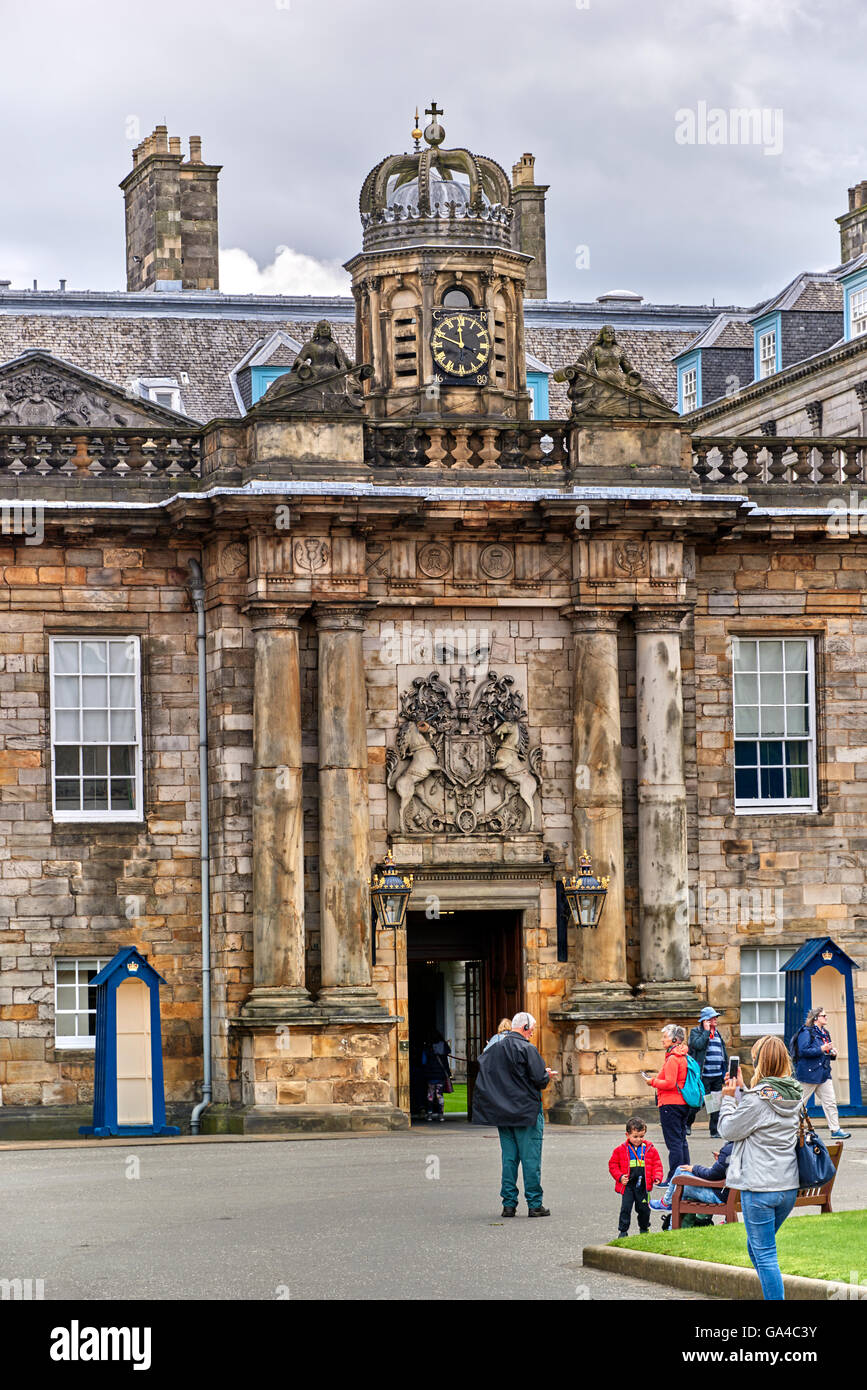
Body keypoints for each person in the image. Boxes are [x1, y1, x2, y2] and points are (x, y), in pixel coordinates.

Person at [717, 1035, 803, 1301]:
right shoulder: (796, 1094)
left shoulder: (757, 1100)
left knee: (765, 1255)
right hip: (787, 1187)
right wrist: (744, 1090)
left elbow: (728, 1130)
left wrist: (730, 1099)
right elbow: (763, 1108)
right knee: (757, 1249)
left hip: (759, 1187)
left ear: (760, 1062)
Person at [472, 1011, 556, 1218]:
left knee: (509, 1159)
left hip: (503, 1111)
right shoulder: (527, 1048)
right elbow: (539, 1079)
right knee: (530, 1159)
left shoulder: (495, 1048)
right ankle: (535, 1204)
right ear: (525, 1028)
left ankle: (508, 1204)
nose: (532, 1034)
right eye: (532, 1031)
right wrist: (547, 1074)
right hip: (526, 1112)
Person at [792, 1007, 851, 1140]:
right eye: (823, 1016)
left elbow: (824, 1052)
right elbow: (803, 1051)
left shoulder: (825, 1033)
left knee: (830, 1102)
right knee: (799, 1104)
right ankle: (790, 1129)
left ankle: (835, 1130)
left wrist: (832, 1053)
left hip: (823, 1073)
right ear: (816, 1018)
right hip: (809, 1074)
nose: (826, 1017)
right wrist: (822, 1048)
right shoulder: (806, 1032)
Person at [645, 1024, 690, 1181]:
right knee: (681, 1141)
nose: (662, 1040)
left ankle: (674, 1178)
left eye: (665, 1037)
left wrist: (652, 1082)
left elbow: (670, 1083)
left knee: (674, 1144)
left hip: (670, 1105)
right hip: (682, 1104)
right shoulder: (683, 1056)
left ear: (674, 1040)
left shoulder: (673, 1059)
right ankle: (685, 1175)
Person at [609, 1117, 664, 1238]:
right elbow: (612, 1165)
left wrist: (657, 1176)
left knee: (644, 1209)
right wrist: (619, 1177)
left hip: (643, 1186)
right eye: (635, 1136)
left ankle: (644, 1229)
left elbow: (657, 1165)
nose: (639, 1140)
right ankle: (623, 1231)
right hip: (628, 1185)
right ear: (627, 1135)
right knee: (626, 1209)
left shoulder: (650, 1149)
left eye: (641, 1136)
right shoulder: (620, 1150)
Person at [649, 1141, 733, 1219]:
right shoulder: (740, 1147)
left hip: (720, 1195)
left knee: (681, 1174)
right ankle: (669, 1205)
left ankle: (666, 1203)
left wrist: (694, 1168)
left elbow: (711, 1174)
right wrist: (721, 1160)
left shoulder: (729, 1149)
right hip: (731, 1193)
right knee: (683, 1180)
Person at [687, 1006, 728, 1138]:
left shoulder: (717, 1033)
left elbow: (723, 1053)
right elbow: (697, 1045)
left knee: (715, 1104)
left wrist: (725, 1070)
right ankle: (686, 1124)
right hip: (703, 1075)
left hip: (716, 1076)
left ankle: (714, 1131)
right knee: (700, 1102)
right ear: (705, 1020)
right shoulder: (696, 1032)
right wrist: (705, 1031)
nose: (716, 1019)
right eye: (713, 1017)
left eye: (716, 1017)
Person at [421, 1031, 453, 1122]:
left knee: (430, 1095)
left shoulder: (427, 1047)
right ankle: (441, 1115)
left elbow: (423, 1061)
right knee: (440, 1095)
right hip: (441, 1074)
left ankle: (429, 1114)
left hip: (430, 1074)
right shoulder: (444, 1046)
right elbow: (446, 1061)